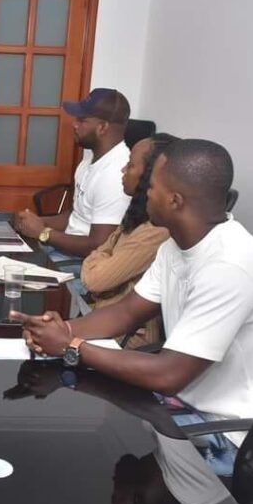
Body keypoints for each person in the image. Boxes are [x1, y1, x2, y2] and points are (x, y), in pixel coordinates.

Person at [13, 139, 253, 447]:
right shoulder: (177, 245)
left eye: (153, 186)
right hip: (182, 403)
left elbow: (168, 375)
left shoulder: (231, 266)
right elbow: (127, 312)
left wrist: (71, 346)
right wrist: (60, 329)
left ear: (175, 201)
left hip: (226, 432)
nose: (145, 191)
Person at [80, 133, 178, 347]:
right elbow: (103, 250)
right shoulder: (138, 215)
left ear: (150, 176)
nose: (123, 170)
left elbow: (95, 279)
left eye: (131, 165)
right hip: (102, 320)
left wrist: (100, 257)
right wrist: (102, 256)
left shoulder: (155, 231)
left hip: (127, 340)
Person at [14, 88, 132, 259]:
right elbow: (75, 216)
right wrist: (33, 222)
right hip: (62, 250)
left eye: (82, 120)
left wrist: (43, 233)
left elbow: (99, 246)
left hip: (82, 262)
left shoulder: (116, 174)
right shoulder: (90, 160)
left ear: (102, 127)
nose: (74, 125)